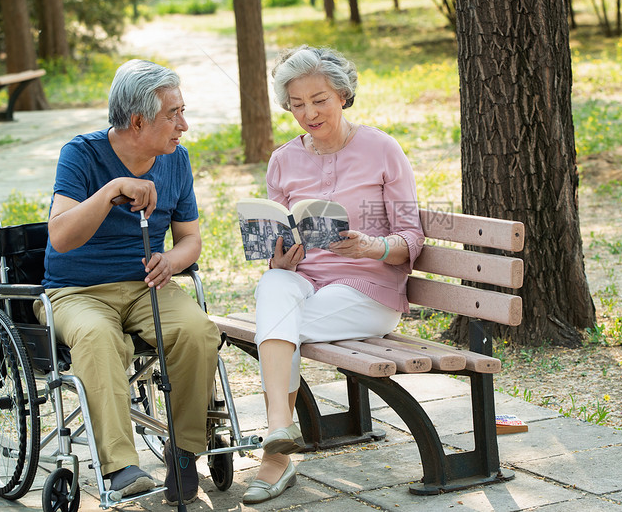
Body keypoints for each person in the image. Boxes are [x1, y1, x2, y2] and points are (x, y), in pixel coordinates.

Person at [243, 45, 425, 504]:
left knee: (275, 329)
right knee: (274, 284)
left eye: (319, 99)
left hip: (369, 292)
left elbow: (411, 235)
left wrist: (373, 246)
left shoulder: (382, 149)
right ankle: (279, 430)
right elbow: (279, 238)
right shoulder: (283, 160)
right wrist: (277, 257)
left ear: (343, 95)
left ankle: (276, 453)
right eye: (297, 103)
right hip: (306, 283)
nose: (308, 112)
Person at [36, 59, 220, 505]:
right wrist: (110, 190)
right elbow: (60, 236)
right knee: (98, 337)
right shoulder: (81, 154)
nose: (184, 125)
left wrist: (171, 261)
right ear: (138, 122)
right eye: (173, 114)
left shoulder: (175, 161)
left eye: (183, 111)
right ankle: (120, 466)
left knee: (197, 331)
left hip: (146, 286)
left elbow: (190, 238)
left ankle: (184, 449)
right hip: (75, 293)